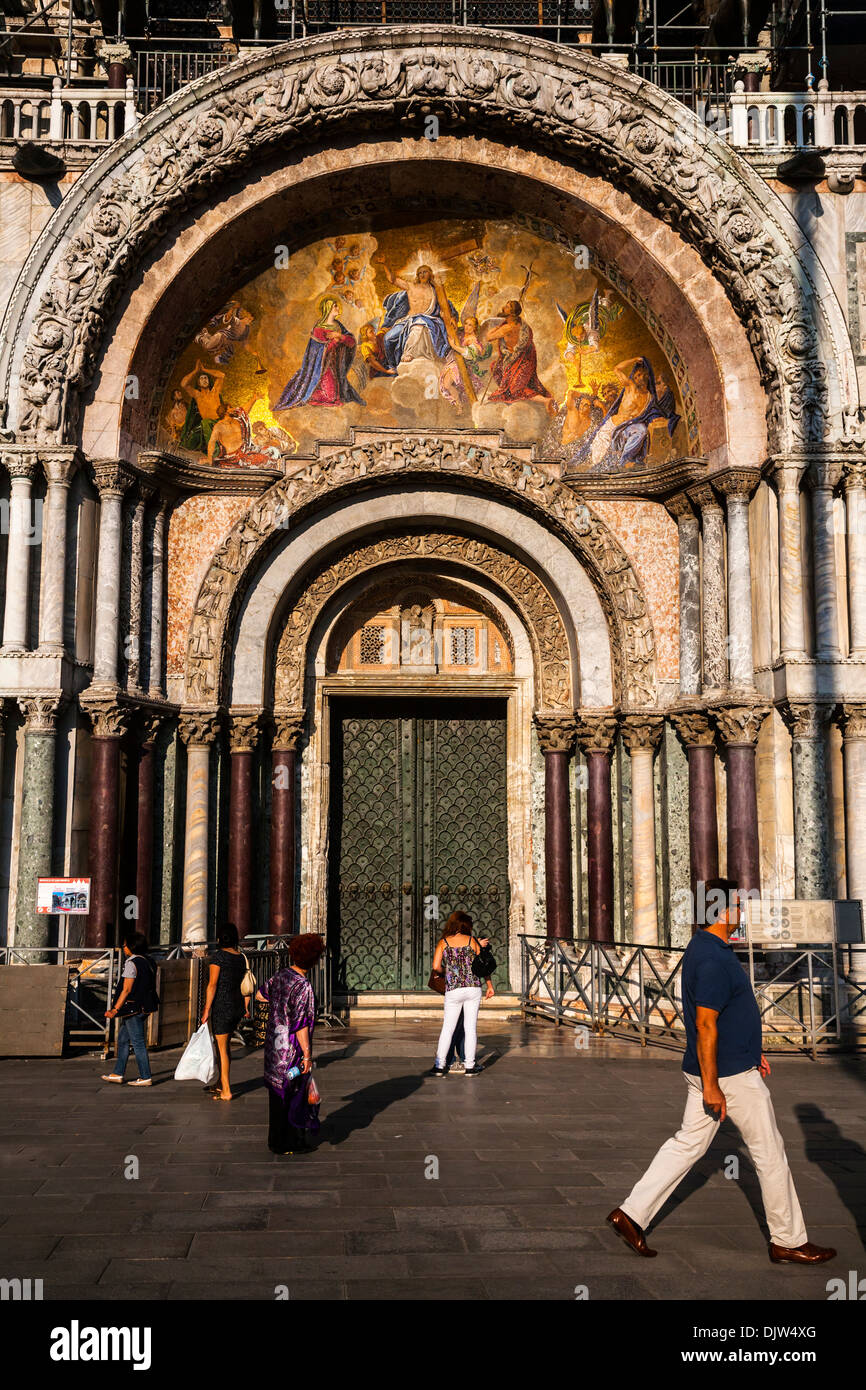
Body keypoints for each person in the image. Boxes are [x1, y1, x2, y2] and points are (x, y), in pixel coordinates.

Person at [607, 878, 837, 1266]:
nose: (742, 914)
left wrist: (752, 1049)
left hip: (720, 1066)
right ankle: (788, 1239)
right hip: (728, 1076)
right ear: (723, 911)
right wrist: (714, 1085)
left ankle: (630, 1214)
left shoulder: (703, 947)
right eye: (738, 907)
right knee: (769, 1152)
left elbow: (726, 1017)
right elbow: (707, 1023)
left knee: (688, 1144)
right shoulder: (713, 958)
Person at [256, 933, 326, 1154]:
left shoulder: (281, 976)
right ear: (314, 959)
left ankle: (275, 1140)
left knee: (277, 1093)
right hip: (292, 1050)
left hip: (273, 1047)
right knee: (295, 1092)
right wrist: (307, 1055)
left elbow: (259, 995)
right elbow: (301, 1024)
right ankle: (291, 1140)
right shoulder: (303, 986)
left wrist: (280, 1004)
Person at [430, 911, 494, 1078]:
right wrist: (489, 985)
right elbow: (482, 965)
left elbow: (436, 966)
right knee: (470, 1028)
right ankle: (470, 1066)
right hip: (473, 987)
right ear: (466, 925)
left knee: (448, 1028)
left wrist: (449, 970)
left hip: (454, 989)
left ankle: (439, 1065)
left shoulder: (443, 942)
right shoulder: (472, 941)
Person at [101, 932, 159, 1088]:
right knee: (123, 1039)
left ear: (132, 947)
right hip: (145, 1006)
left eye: (125, 945)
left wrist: (114, 1009)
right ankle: (118, 1073)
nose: (123, 948)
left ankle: (145, 1076)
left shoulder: (131, 963)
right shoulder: (149, 961)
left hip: (132, 1007)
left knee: (138, 1042)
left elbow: (126, 989)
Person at [201, 923, 249, 1102]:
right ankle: (221, 1082)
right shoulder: (239, 957)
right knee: (225, 1046)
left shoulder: (218, 957)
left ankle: (226, 1090)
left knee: (221, 1049)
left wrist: (206, 1010)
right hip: (236, 1005)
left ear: (220, 938)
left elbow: (212, 985)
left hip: (222, 1005)